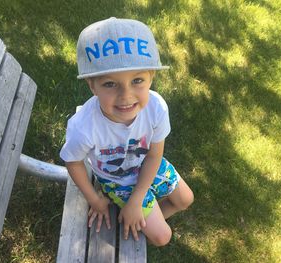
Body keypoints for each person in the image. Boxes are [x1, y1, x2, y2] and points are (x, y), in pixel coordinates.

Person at [60, 17, 194, 246]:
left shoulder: (156, 108)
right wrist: (94, 199)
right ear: (92, 85)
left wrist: (137, 202)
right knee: (163, 237)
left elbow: (154, 155)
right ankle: (139, 224)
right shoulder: (84, 127)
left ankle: (134, 218)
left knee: (185, 199)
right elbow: (73, 162)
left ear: (152, 76)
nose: (126, 96)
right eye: (110, 84)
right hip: (118, 180)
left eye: (137, 80)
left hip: (147, 165)